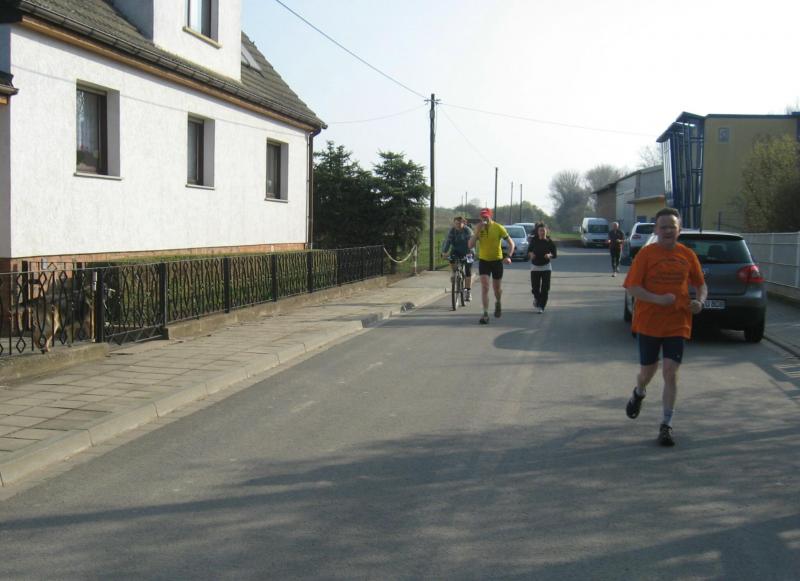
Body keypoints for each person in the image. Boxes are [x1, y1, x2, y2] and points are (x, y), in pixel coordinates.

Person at [623, 207, 707, 447]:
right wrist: (658, 299)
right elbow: (632, 287)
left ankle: (666, 425)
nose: (668, 230)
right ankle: (639, 392)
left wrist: (699, 302)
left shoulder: (687, 255)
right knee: (647, 373)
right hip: (649, 323)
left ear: (679, 230)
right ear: (656, 230)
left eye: (673, 226)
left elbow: (701, 285)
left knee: (670, 372)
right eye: (664, 227)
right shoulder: (646, 254)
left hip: (677, 322)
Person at [468, 208, 514, 325]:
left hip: (497, 261)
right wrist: (477, 232)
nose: (484, 219)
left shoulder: (498, 227)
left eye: (486, 217)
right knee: (485, 287)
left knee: (496, 289)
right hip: (484, 261)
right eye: (482, 217)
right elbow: (470, 245)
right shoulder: (478, 228)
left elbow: (511, 243)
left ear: (490, 216)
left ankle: (498, 302)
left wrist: (508, 256)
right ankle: (485, 314)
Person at [441, 216, 474, 301]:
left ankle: (468, 292)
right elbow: (447, 242)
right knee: (451, 259)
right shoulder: (452, 231)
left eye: (460, 223)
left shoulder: (468, 231)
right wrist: (444, 252)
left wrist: (469, 253)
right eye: (456, 223)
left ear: (464, 223)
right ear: (454, 223)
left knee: (468, 271)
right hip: (456, 251)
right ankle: (454, 273)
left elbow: (471, 242)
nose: (458, 225)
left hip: (468, 251)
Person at [527, 222, 557, 314]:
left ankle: (541, 306)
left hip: (546, 268)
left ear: (546, 231)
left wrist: (549, 255)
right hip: (535, 267)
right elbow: (529, 251)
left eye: (544, 231)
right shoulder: (534, 240)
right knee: (535, 289)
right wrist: (531, 254)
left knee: (545, 289)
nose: (542, 232)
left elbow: (554, 254)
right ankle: (537, 298)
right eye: (540, 231)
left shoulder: (549, 241)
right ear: (537, 231)